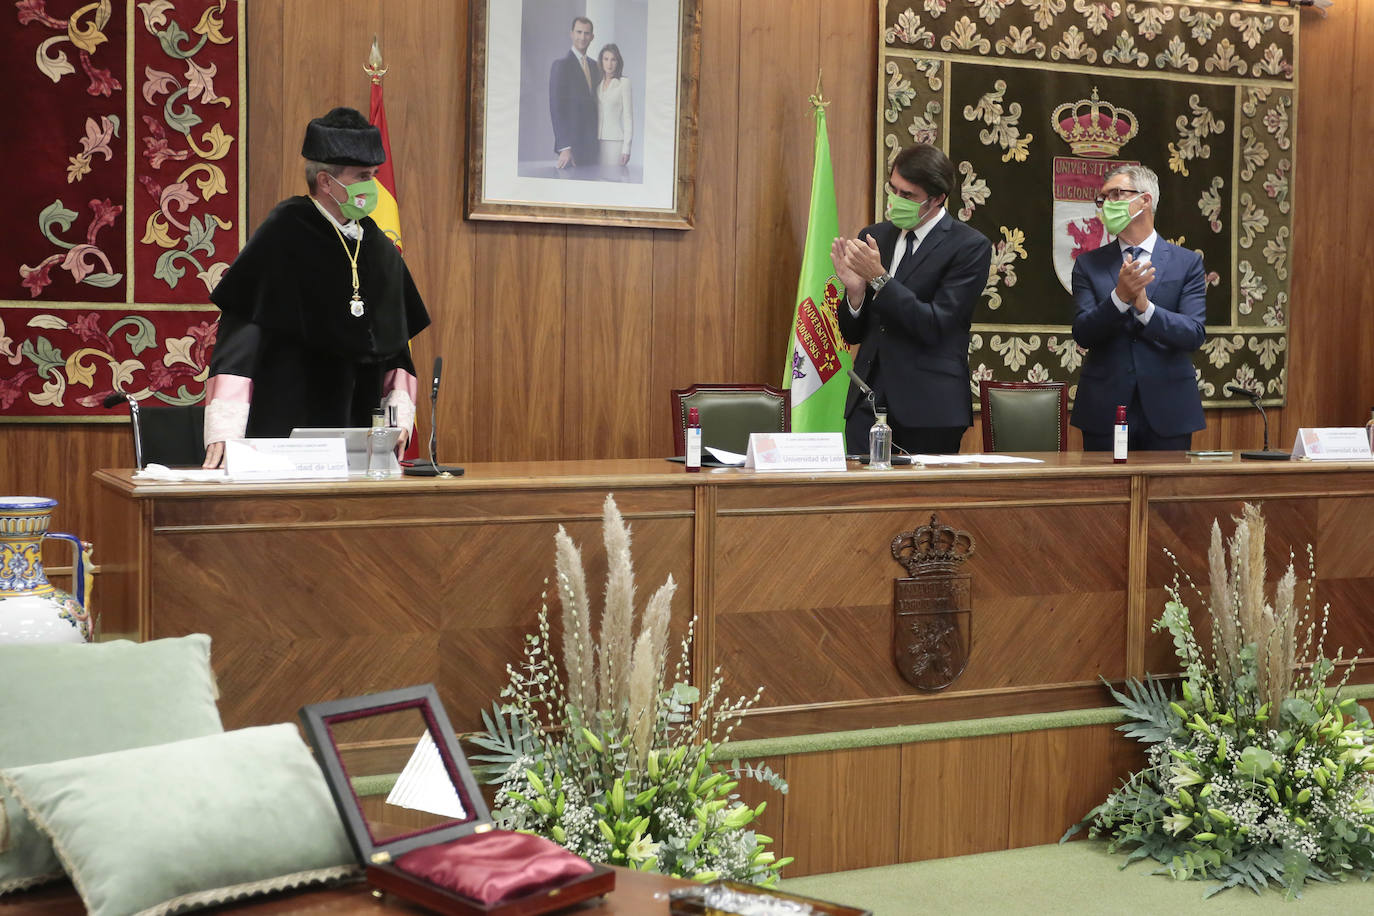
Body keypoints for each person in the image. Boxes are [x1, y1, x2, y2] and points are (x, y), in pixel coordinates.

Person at [200, 107, 431, 468]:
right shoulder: (283, 234)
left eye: (374, 175)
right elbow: (241, 339)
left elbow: (395, 344)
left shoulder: (377, 246)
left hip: (360, 439)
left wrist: (397, 418)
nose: (372, 187)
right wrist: (225, 429)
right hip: (286, 433)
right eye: (363, 176)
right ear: (326, 181)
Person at [831, 144, 993, 456]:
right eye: (893, 190)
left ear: (937, 198)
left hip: (929, 410)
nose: (896, 200)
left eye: (908, 195)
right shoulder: (875, 237)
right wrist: (855, 293)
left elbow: (936, 324)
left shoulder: (969, 247)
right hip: (867, 406)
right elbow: (853, 334)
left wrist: (880, 278)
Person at [1070, 164, 1206, 451]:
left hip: (1170, 409)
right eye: (1103, 198)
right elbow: (1083, 332)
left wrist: (1145, 308)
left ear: (1145, 200)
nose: (1107, 204)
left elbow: (1193, 333)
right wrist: (1119, 298)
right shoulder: (1088, 264)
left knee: (1166, 483)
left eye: (1116, 194)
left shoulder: (1187, 263)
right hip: (1104, 408)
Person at [549, 16, 599, 172]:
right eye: (579, 32)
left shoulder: (595, 66)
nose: (582, 37)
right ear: (571, 34)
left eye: (586, 33)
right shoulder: (561, 65)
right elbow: (556, 109)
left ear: (592, 37)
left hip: (594, 146)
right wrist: (565, 147)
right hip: (572, 149)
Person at [595, 43, 632, 168]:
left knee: (613, 176)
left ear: (618, 62)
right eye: (606, 59)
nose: (609, 64)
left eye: (613, 59)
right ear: (601, 61)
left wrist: (626, 148)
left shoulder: (624, 83)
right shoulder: (598, 85)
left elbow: (628, 117)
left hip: (615, 142)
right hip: (596, 141)